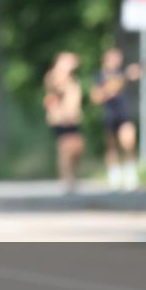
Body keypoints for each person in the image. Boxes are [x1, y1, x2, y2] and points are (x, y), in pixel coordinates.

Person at [90, 47, 141, 190]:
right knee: (111, 146)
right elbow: (95, 97)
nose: (118, 61)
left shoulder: (121, 73)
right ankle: (114, 173)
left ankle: (130, 172)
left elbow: (131, 75)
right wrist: (108, 89)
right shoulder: (100, 75)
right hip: (110, 113)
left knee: (129, 141)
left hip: (124, 112)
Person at [43, 52, 84, 193]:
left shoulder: (73, 79)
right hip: (59, 118)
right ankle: (67, 180)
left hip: (72, 118)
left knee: (77, 147)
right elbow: (55, 88)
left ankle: (71, 176)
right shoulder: (54, 76)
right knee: (65, 149)